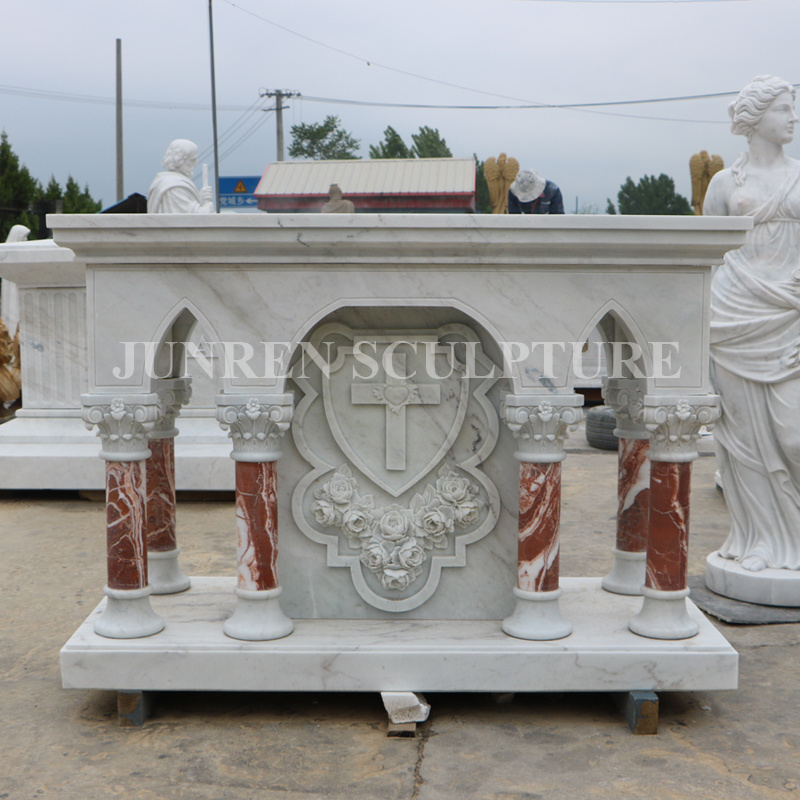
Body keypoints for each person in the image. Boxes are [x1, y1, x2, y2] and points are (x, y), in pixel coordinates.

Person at [704, 75, 800, 571]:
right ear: (758, 117)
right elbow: (707, 257)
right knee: (741, 440)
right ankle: (758, 540)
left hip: (789, 317)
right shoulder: (726, 183)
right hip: (733, 318)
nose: (793, 117)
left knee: (793, 436)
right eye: (784, 108)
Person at [147, 139, 214, 214]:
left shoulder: (170, 183)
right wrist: (207, 208)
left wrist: (201, 199)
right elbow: (189, 219)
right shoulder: (174, 187)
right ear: (179, 160)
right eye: (192, 160)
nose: (195, 163)